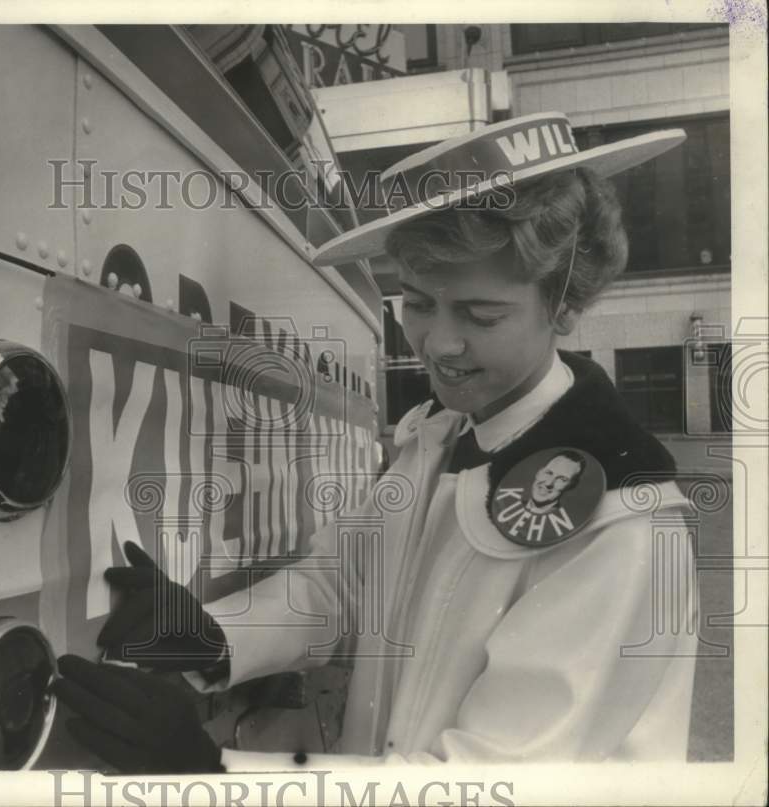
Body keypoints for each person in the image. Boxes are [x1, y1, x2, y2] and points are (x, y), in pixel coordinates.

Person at [52, 112, 698, 772]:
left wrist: (215, 772)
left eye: (480, 315)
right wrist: (212, 636)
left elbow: (491, 778)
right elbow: (339, 587)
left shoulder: (618, 521)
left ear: (563, 305)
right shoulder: (435, 441)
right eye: (416, 304)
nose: (439, 344)